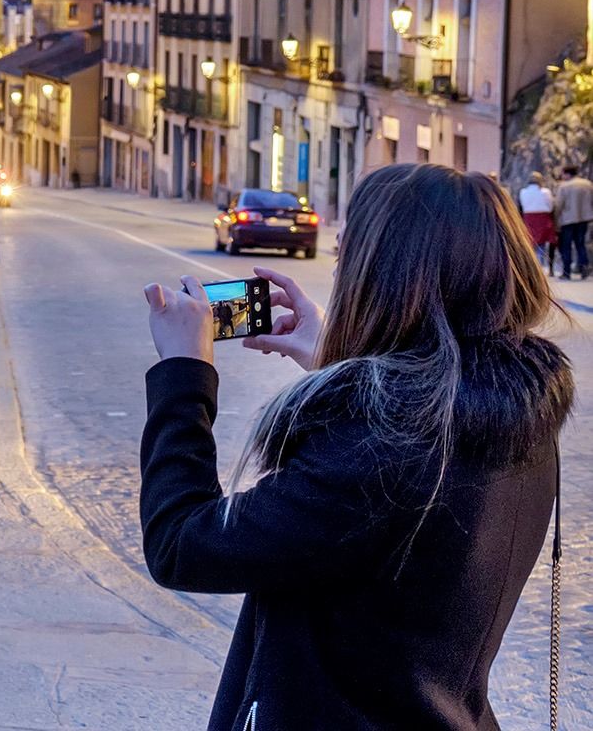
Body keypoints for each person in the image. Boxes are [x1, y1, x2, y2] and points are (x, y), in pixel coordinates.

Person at [140, 163, 572, 730]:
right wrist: (342, 361)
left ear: (387, 279)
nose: (341, 274)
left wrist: (184, 373)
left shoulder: (378, 449)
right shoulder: (516, 411)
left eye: (347, 257)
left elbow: (182, 543)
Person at [553, 163, 593, 279]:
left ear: (566, 174)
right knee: (580, 244)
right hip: (584, 218)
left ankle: (566, 272)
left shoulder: (564, 186)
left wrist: (556, 220)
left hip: (568, 220)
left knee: (566, 246)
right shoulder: (588, 184)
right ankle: (584, 268)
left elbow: (559, 205)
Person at [519, 171, 557, 273]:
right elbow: (550, 207)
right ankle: (540, 265)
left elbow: (522, 206)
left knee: (530, 243)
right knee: (542, 243)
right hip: (543, 219)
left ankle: (531, 267)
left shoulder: (523, 192)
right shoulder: (545, 192)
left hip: (529, 219)